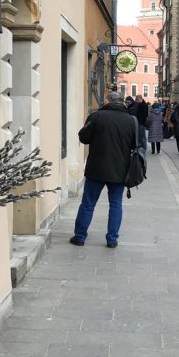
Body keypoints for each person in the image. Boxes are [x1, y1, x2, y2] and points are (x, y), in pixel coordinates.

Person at [71, 91, 137, 247]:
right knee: (116, 204)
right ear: (123, 102)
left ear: (108, 100)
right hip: (120, 170)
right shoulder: (131, 121)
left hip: (96, 168)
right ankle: (112, 240)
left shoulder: (96, 116)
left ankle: (80, 237)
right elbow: (136, 145)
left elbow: (83, 137)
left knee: (88, 203)